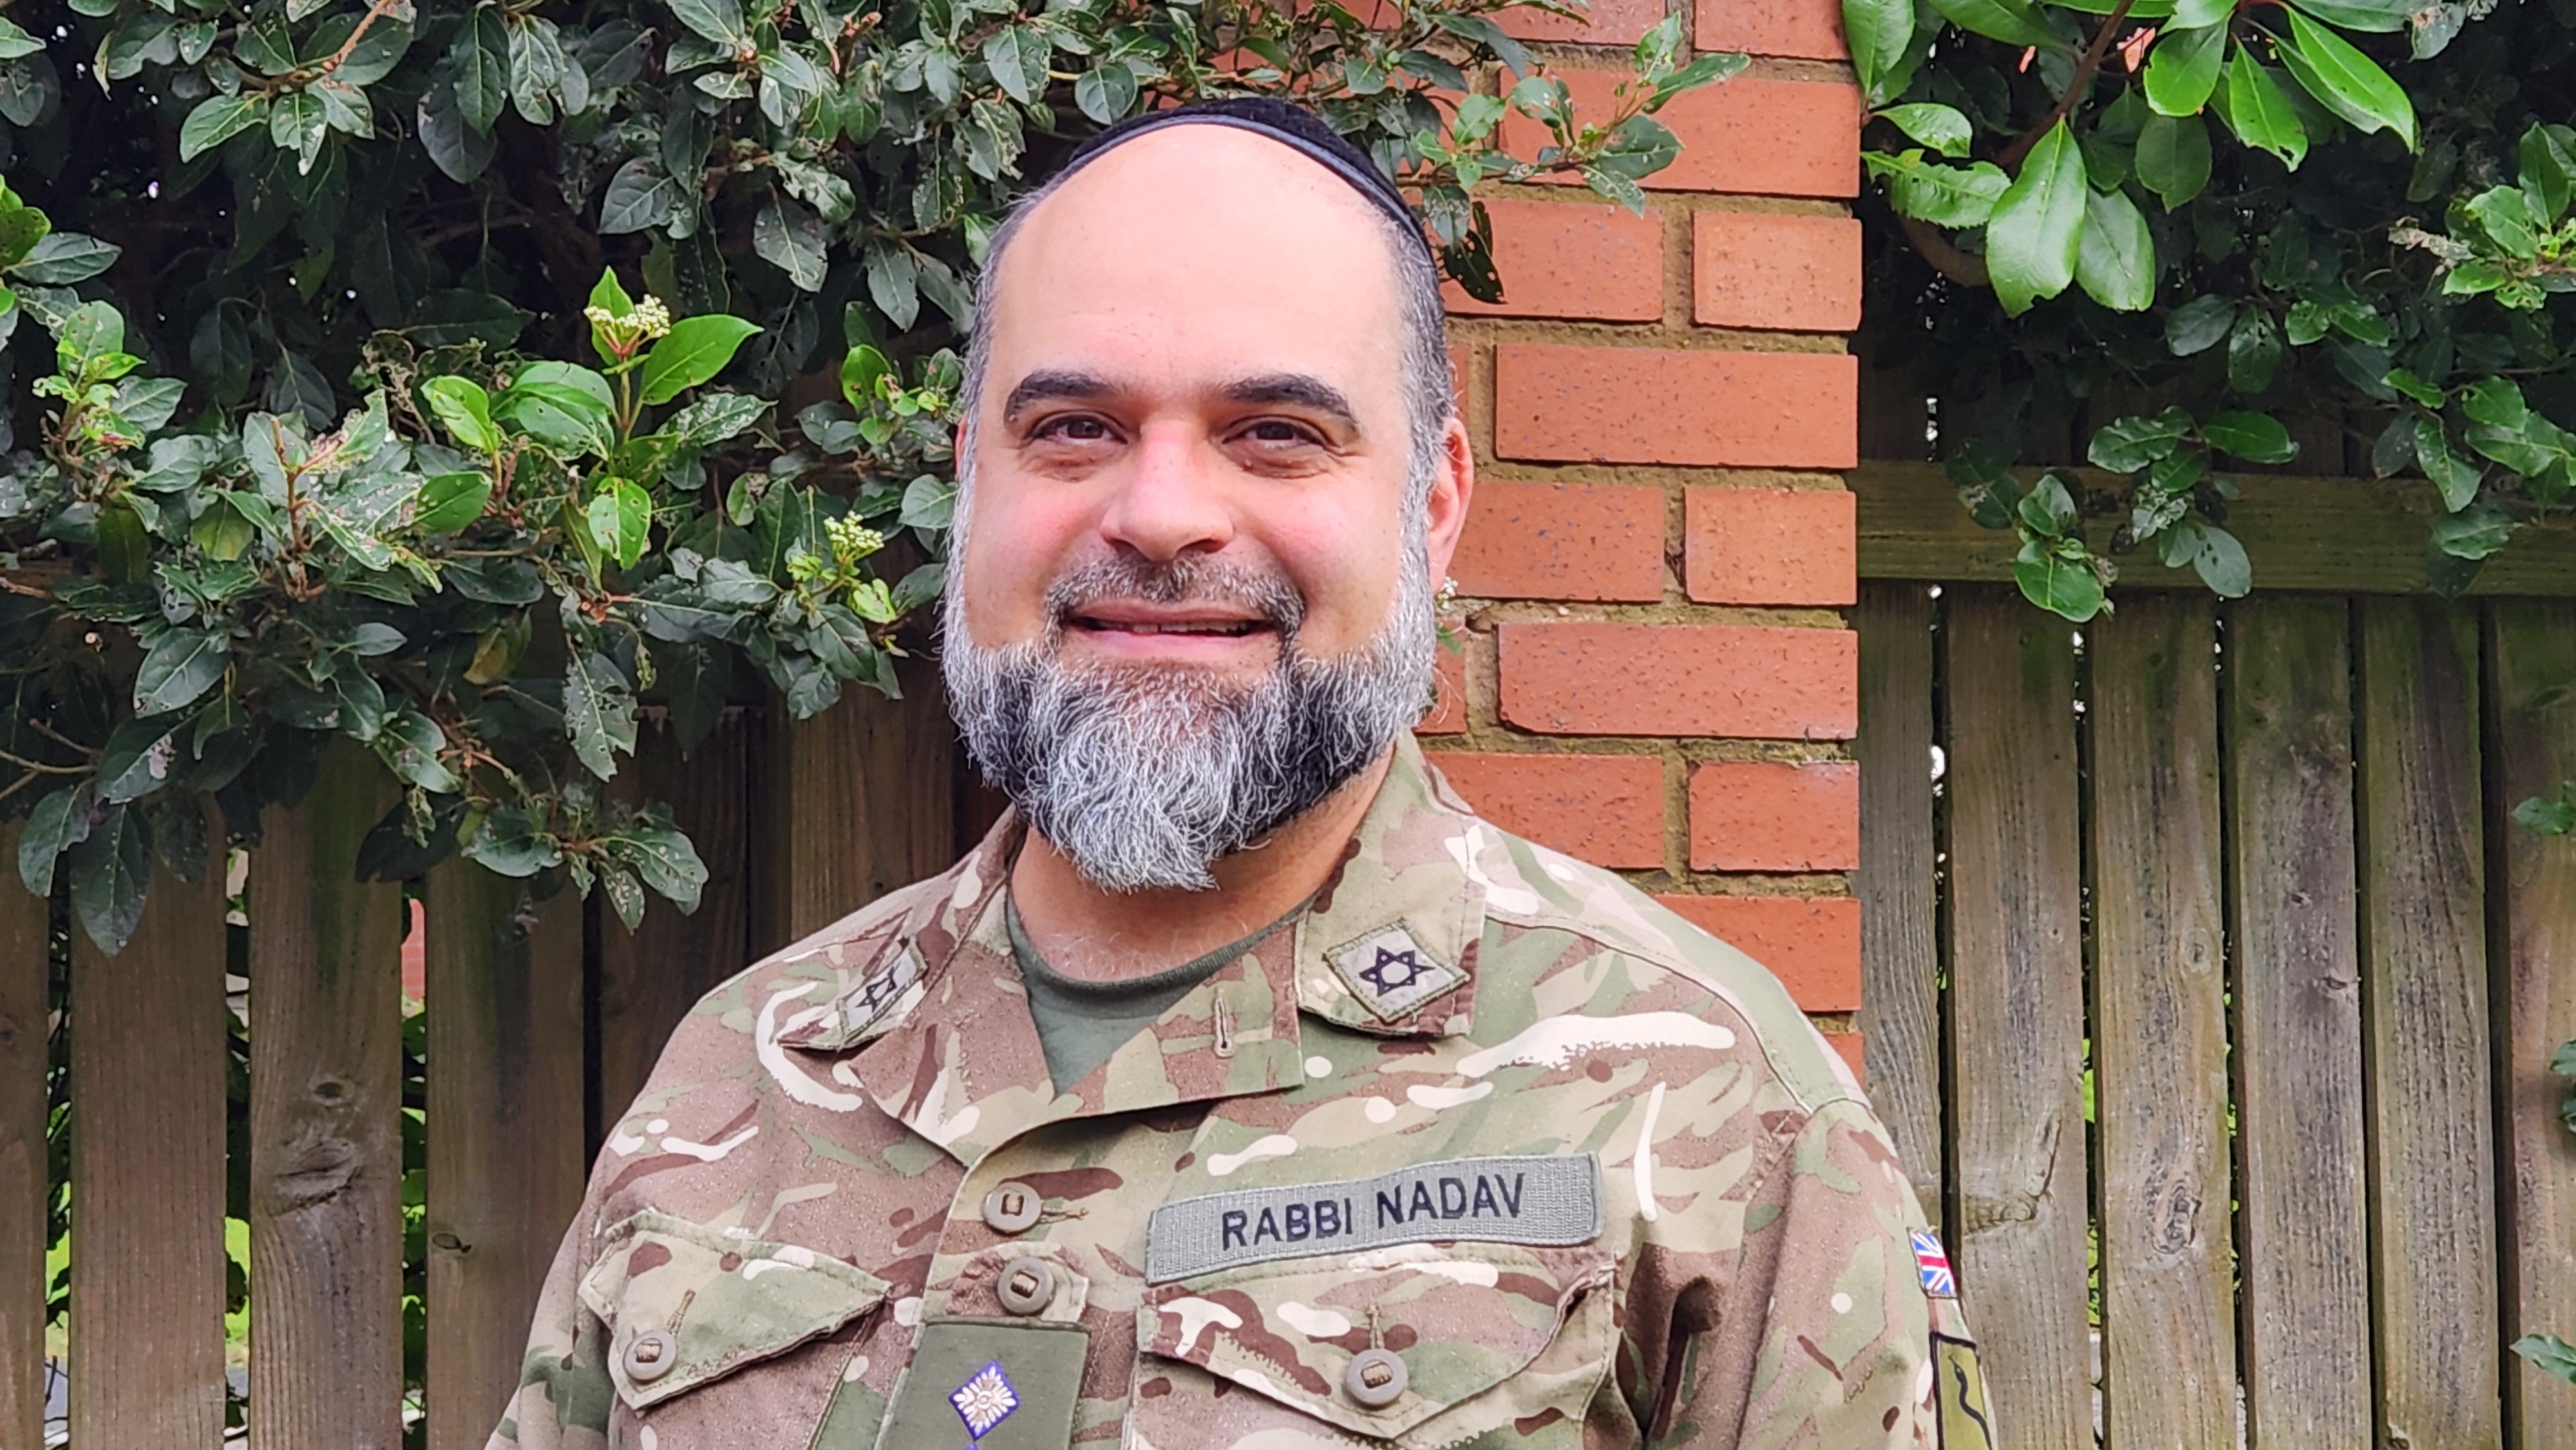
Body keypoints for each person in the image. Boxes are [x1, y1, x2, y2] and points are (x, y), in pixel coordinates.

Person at [488, 98, 1987, 1450]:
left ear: (1434, 505)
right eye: (1073, 428)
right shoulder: (743, 1071)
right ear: (970, 480)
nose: (1159, 513)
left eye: (1274, 433)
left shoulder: (1704, 1097)